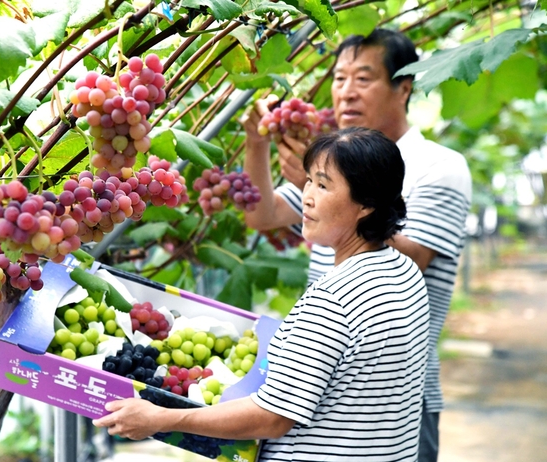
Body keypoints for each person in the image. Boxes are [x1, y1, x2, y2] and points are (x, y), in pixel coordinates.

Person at [94, 127, 430, 461]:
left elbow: (273, 417)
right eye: (310, 180)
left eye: (324, 185)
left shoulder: (336, 299)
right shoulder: (403, 273)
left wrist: (161, 418)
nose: (308, 195)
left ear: (365, 206)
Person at [242, 28, 472, 462]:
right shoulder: (340, 165)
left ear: (404, 88)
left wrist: (328, 193)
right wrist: (258, 145)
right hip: (323, 385)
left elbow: (413, 258)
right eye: (339, 77)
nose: (346, 92)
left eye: (363, 79)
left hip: (394, 398)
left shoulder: (440, 167)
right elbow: (263, 215)